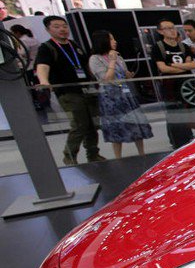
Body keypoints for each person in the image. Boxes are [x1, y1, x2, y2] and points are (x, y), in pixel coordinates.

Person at [34, 15, 104, 165]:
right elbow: (42, 66)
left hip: (87, 90)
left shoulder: (74, 45)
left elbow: (86, 65)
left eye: (64, 26)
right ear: (48, 30)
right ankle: (70, 157)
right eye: (57, 26)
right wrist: (44, 81)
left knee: (93, 124)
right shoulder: (47, 48)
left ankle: (93, 154)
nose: (62, 29)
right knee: (79, 124)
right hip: (68, 92)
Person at [87, 30, 152, 159]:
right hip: (110, 96)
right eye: (111, 39)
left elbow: (124, 74)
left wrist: (128, 74)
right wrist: (112, 61)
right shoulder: (95, 59)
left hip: (125, 94)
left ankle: (142, 153)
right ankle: (118, 157)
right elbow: (107, 78)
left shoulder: (119, 57)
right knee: (115, 126)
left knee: (135, 122)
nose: (114, 42)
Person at [152, 19, 195, 148]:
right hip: (170, 87)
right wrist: (182, 67)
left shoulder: (184, 47)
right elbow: (163, 68)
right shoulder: (158, 48)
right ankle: (178, 143)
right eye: (167, 28)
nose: (172, 31)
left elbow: (192, 65)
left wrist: (173, 65)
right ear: (160, 31)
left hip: (188, 86)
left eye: (173, 27)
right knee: (175, 115)